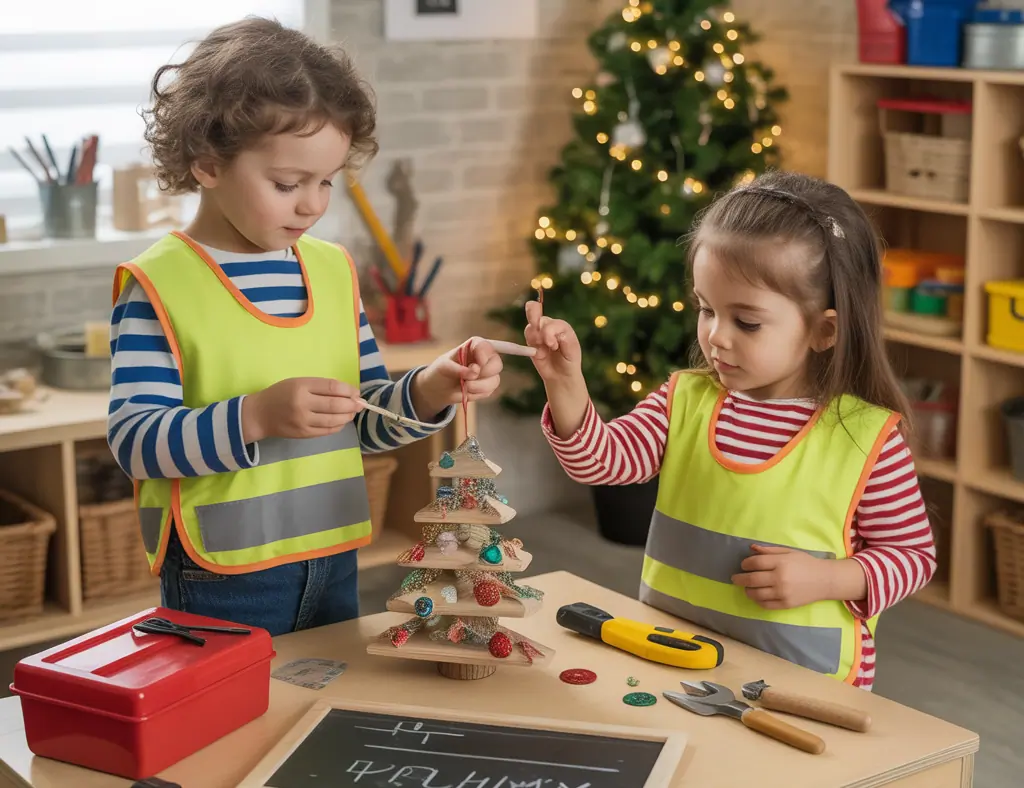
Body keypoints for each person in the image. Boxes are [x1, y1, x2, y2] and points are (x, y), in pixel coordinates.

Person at [107, 17, 506, 637]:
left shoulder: (332, 271)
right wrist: (256, 418)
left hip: (334, 558)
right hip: (222, 576)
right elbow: (134, 442)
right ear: (208, 164)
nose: (313, 204)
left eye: (326, 182)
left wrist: (429, 387)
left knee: (321, 705)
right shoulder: (159, 285)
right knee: (235, 722)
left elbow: (363, 423)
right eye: (288, 184)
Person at [524, 170, 936, 690]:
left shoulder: (867, 439)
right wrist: (565, 384)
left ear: (823, 329)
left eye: (747, 322)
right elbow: (600, 463)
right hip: (673, 660)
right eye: (706, 309)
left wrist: (830, 579)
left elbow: (913, 558)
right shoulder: (685, 401)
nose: (715, 336)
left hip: (805, 685)